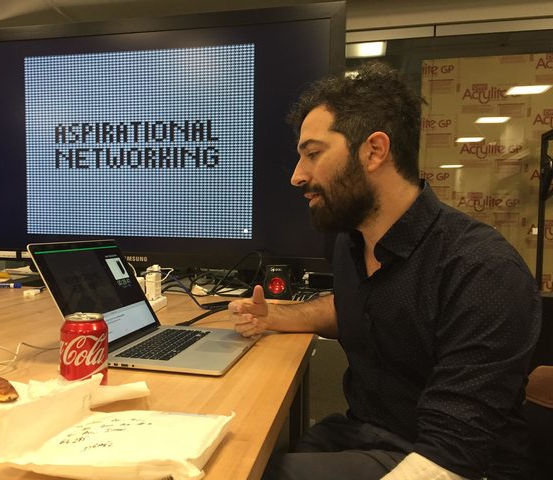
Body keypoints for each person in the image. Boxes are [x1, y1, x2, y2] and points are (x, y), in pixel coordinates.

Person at [228, 62, 541, 480]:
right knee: (235, 451)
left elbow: (450, 457)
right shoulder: (351, 243)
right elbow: (360, 308)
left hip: (446, 461)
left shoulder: (482, 270)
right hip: (365, 433)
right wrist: (275, 317)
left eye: (313, 154)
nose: (297, 176)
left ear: (374, 151)